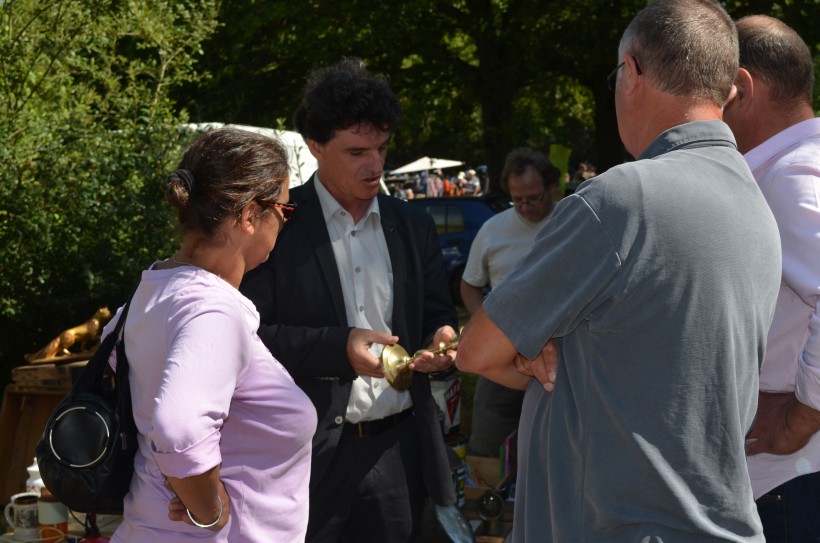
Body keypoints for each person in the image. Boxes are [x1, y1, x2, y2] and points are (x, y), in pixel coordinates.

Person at [457, 1, 782, 541]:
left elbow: (476, 350)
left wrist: (528, 345)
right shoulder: (755, 205)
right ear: (728, 89)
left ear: (630, 73)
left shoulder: (620, 198)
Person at [240, 58, 458, 543]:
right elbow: (248, 340)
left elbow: (438, 313)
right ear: (315, 147)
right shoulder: (276, 226)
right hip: (306, 458)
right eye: (357, 151)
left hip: (401, 449)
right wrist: (339, 348)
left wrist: (442, 340)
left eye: (381, 147)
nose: (375, 165)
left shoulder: (413, 226)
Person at [107, 127, 316, 542]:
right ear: (249, 215)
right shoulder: (213, 308)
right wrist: (208, 509)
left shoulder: (155, 287)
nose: (284, 223)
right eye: (284, 211)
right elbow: (178, 427)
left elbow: (115, 358)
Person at [722, 15, 820, 542]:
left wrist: (800, 419)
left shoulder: (789, 177)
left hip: (794, 479)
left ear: (741, 87)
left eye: (711, 90)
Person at [461, 148, 559, 457]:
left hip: (558, 355)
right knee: (488, 443)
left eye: (534, 198)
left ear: (552, 188)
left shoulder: (572, 220)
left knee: (553, 445)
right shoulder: (493, 230)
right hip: (502, 355)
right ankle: (490, 500)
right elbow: (469, 286)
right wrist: (487, 327)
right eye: (518, 200)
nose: (526, 207)